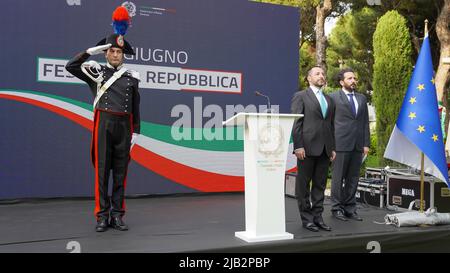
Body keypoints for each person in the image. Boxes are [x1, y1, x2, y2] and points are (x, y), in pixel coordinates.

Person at [65, 6, 140, 232]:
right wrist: (90, 52)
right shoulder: (96, 73)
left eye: (119, 52)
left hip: (124, 128)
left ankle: (117, 215)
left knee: (120, 174)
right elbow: (71, 66)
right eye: (111, 52)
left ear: (123, 54)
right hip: (103, 124)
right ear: (106, 53)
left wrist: (136, 131)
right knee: (101, 172)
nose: (115, 55)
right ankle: (101, 216)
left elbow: (136, 106)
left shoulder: (132, 78)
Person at [291, 66, 336, 232]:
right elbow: (296, 124)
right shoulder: (300, 96)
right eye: (317, 73)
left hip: (325, 149)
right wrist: (298, 145)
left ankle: (318, 218)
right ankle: (307, 219)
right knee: (303, 186)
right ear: (309, 78)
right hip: (306, 148)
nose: (321, 76)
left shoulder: (329, 100)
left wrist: (332, 148)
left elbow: (331, 126)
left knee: (320, 185)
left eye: (323, 73)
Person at [329, 68, 369, 222]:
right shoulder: (332, 98)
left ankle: (349, 208)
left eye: (354, 78)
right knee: (338, 179)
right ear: (341, 82)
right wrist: (331, 145)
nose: (353, 81)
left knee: (353, 179)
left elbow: (364, 122)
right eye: (349, 78)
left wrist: (365, 143)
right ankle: (336, 208)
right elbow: (329, 123)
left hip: (358, 145)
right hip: (340, 144)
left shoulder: (362, 98)